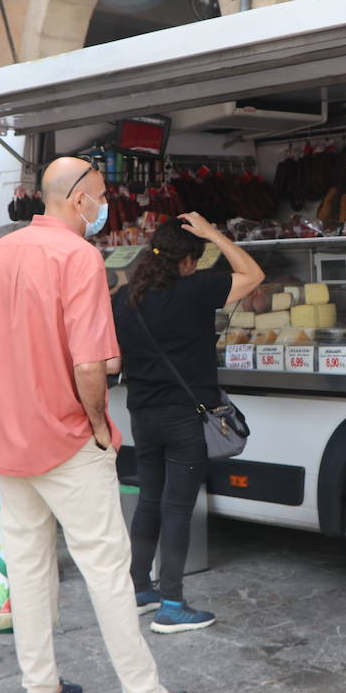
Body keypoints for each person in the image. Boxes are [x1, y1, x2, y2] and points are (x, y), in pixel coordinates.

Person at [0, 156, 216, 693]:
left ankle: (41, 688)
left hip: (8, 436)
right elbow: (90, 364)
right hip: (63, 435)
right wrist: (100, 426)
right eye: (102, 193)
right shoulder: (78, 256)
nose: (105, 204)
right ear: (79, 198)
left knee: (30, 567)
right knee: (108, 569)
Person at [111, 215, 264, 634]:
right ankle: (172, 604)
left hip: (142, 414)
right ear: (188, 261)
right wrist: (214, 234)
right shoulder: (196, 290)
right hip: (185, 416)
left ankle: (140, 588)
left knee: (148, 502)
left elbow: (114, 361)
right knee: (178, 509)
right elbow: (253, 274)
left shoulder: (124, 300)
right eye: (195, 259)